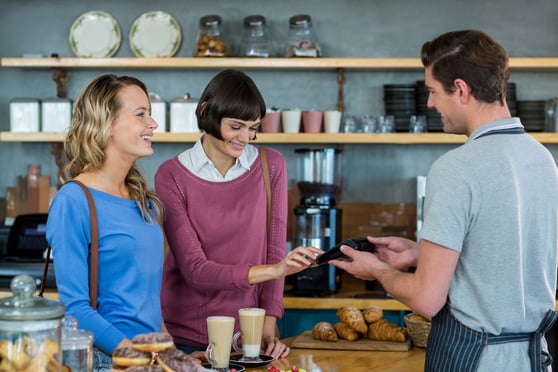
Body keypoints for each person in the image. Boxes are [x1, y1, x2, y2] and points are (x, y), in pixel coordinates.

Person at [331, 30, 558, 371]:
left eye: (434, 92)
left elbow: (426, 299)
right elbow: (509, 254)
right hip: (531, 358)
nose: (430, 104)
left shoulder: (456, 167)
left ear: (461, 90)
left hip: (475, 360)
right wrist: (424, 254)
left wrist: (376, 269)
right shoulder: (542, 159)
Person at [155, 69, 322, 358]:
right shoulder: (171, 175)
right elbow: (195, 271)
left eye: (253, 127)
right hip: (189, 339)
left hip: (250, 337)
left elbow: (274, 249)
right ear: (207, 112)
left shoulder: (272, 166)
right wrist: (276, 270)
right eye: (236, 126)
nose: (246, 137)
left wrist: (267, 329)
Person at [46, 74, 167, 371]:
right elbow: (75, 309)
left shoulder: (144, 200)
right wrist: (138, 356)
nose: (153, 124)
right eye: (141, 114)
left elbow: (148, 299)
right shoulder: (73, 201)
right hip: (108, 360)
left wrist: (169, 352)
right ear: (106, 123)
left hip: (149, 358)